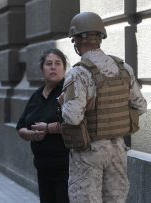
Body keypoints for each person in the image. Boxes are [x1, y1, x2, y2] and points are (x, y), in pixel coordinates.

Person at [59, 12, 147, 203]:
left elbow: (73, 117)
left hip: (89, 152)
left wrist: (63, 103)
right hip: (118, 149)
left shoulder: (78, 73)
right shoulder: (123, 68)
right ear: (100, 37)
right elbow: (140, 106)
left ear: (76, 40)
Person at [16, 48, 70, 203]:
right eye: (49, 64)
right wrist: (30, 134)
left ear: (64, 68)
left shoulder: (68, 92)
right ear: (42, 69)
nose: (53, 67)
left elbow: (74, 123)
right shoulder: (36, 95)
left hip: (65, 167)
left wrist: (47, 128)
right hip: (42, 166)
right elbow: (20, 126)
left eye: (58, 63)